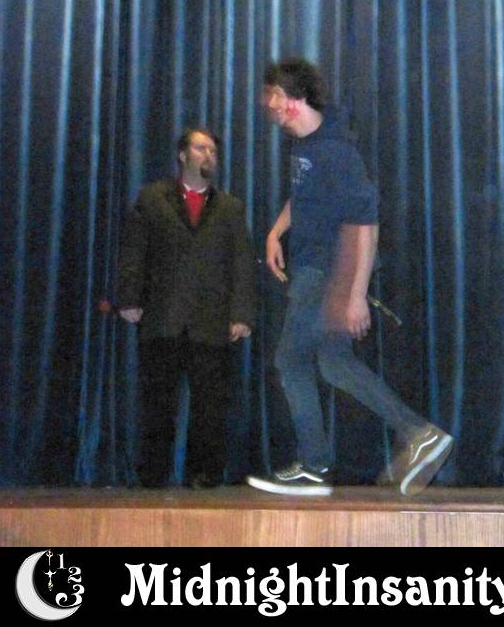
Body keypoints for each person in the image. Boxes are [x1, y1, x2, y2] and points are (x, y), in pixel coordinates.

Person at [246, 58, 452, 497]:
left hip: (326, 270)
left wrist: (356, 295)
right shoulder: (305, 147)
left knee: (291, 361)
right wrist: (275, 231)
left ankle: (315, 466)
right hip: (315, 267)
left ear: (293, 99)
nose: (268, 104)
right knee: (335, 363)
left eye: (274, 96)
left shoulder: (337, 152)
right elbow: (304, 196)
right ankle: (419, 433)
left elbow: (367, 224)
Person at [117, 127, 256, 488]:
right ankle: (152, 475)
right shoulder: (152, 198)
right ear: (182, 155)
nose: (208, 155)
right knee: (157, 403)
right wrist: (129, 298)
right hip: (162, 315)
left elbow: (242, 262)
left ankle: (204, 476)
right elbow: (134, 250)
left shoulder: (230, 207)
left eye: (213, 151)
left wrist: (241, 314)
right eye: (200, 148)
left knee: (210, 406)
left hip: (211, 320)